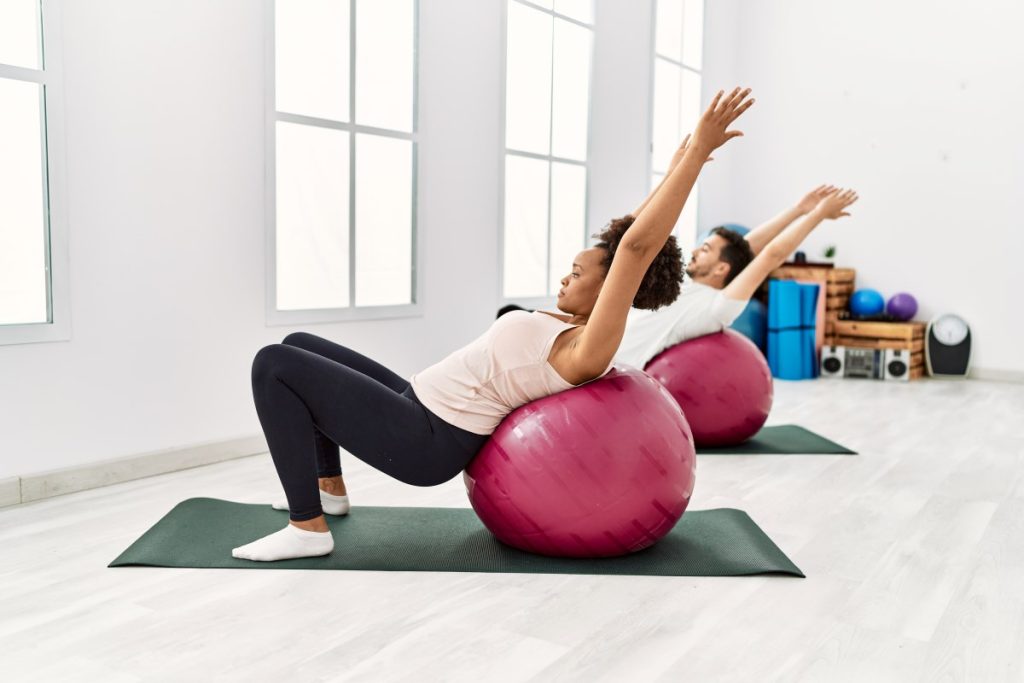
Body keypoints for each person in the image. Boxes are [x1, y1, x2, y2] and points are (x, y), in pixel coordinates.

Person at [231, 87, 755, 562]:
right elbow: (628, 236)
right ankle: (328, 490)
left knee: (273, 365)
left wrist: (693, 171)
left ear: (611, 287)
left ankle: (308, 526)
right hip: (417, 402)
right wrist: (685, 161)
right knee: (298, 344)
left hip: (428, 440)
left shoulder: (585, 346)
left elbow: (636, 251)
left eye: (576, 273)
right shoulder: (568, 316)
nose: (564, 278)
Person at [613, 179, 859, 369]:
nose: (696, 249)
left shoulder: (718, 306)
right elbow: (745, 248)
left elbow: (769, 256)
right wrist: (798, 210)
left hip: (615, 373)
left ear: (722, 269)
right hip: (594, 352)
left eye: (706, 248)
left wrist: (817, 216)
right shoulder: (684, 281)